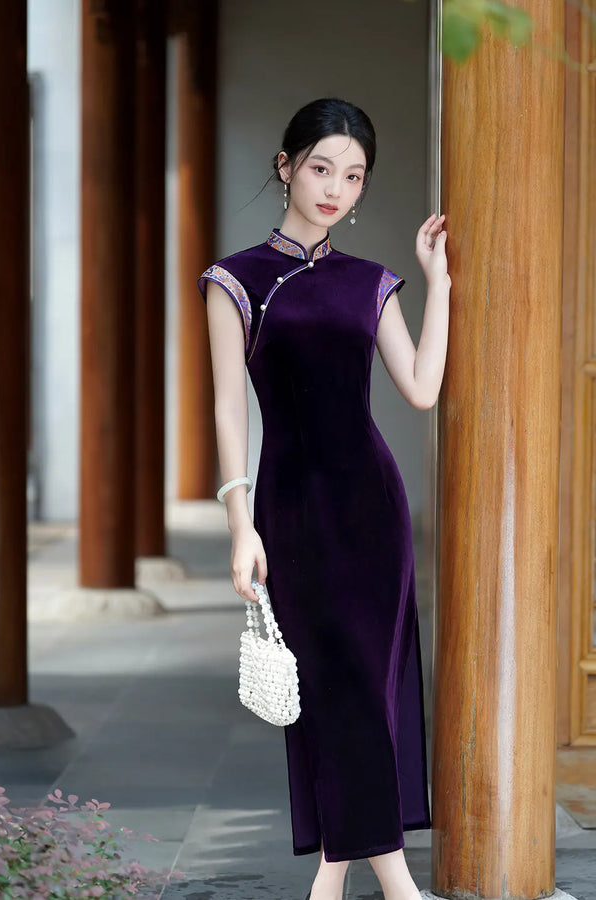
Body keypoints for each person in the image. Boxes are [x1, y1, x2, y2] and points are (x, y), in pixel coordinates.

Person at [198, 97, 451, 900]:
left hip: (373, 509)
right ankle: (377, 882)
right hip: (291, 510)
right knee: (326, 687)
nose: (337, 188)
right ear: (285, 166)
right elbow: (227, 408)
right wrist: (241, 525)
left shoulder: (371, 283)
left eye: (354, 175)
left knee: (366, 685)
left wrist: (438, 282)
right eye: (321, 168)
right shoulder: (233, 280)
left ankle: (344, 881)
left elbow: (420, 387)